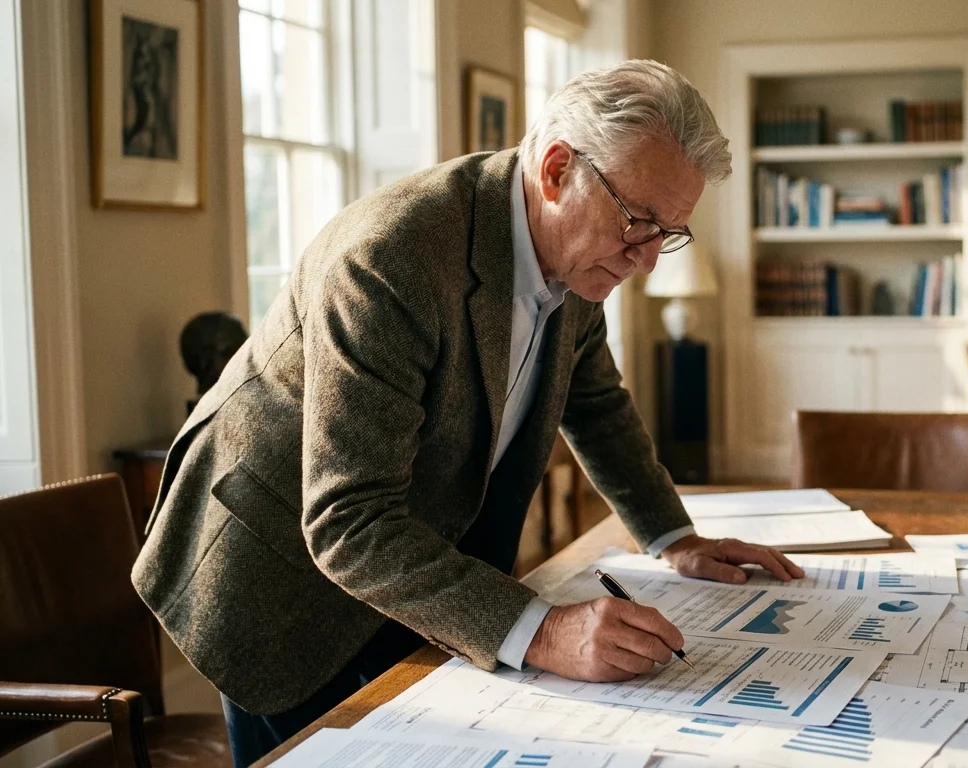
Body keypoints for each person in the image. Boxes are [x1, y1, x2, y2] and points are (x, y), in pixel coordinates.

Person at [131, 59, 804, 768]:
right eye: (638, 222)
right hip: (278, 574)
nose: (647, 262)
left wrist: (673, 537)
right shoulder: (391, 258)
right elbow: (349, 522)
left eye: (668, 233)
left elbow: (596, 403)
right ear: (556, 170)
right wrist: (546, 632)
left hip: (413, 556)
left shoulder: (580, 259)